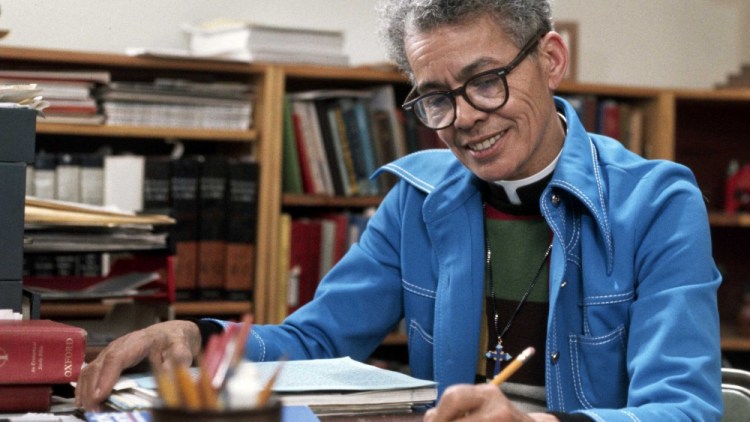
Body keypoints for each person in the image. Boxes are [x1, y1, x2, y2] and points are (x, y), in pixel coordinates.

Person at [76, 0, 723, 420]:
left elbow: (684, 408)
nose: (465, 118)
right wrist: (201, 339)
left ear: (551, 61)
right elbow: (318, 340)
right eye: (435, 98)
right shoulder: (416, 202)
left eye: (486, 80)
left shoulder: (658, 203)